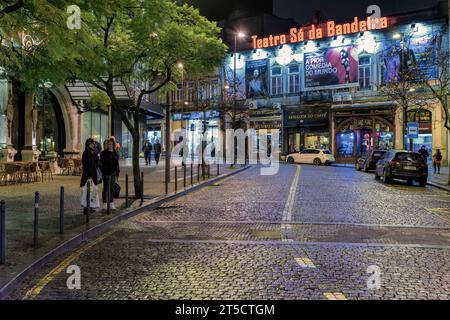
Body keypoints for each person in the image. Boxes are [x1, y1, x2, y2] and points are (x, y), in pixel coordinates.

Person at [100, 138, 120, 211]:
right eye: (109, 144)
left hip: (113, 172)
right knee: (105, 188)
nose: (110, 146)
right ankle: (105, 203)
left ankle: (111, 203)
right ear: (106, 145)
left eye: (111, 144)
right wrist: (103, 170)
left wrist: (117, 172)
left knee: (112, 188)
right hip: (105, 172)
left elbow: (116, 163)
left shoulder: (115, 152)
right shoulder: (104, 153)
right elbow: (102, 162)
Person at [80, 138, 100, 213]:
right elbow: (87, 165)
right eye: (91, 144)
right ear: (88, 144)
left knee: (92, 192)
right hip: (88, 176)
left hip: (93, 176)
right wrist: (89, 175)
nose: (93, 145)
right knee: (86, 192)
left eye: (93, 144)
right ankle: (86, 208)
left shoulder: (93, 152)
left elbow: (96, 164)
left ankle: (91, 207)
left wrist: (96, 156)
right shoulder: (86, 153)